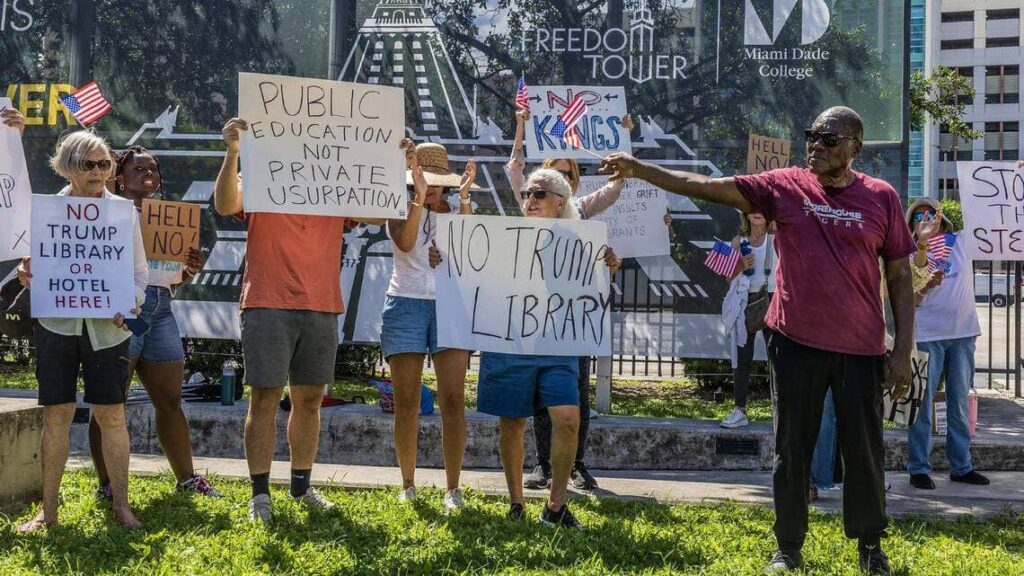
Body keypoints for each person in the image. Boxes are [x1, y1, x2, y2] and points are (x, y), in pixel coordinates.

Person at [599, 106, 916, 575]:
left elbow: (899, 275)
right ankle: (787, 547)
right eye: (811, 135)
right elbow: (705, 187)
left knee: (864, 454)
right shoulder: (783, 185)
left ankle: (870, 546)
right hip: (796, 343)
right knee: (791, 450)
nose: (815, 146)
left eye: (828, 139)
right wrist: (640, 168)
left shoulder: (881, 197)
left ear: (855, 146)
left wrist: (903, 351)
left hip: (861, 349)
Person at [213, 118, 383, 524]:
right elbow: (224, 204)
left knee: (309, 401)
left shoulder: (334, 184)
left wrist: (392, 159)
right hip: (267, 301)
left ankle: (302, 486)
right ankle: (259, 494)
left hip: (322, 304)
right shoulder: (261, 177)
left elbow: (376, 208)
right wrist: (233, 152)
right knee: (265, 397)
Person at [430, 168, 621, 529]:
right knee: (512, 424)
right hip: (511, 344)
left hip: (558, 346)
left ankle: (555, 505)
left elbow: (590, 289)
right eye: (526, 194)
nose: (529, 200)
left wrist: (608, 265)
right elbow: (470, 269)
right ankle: (516, 502)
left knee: (568, 419)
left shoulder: (580, 241)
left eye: (539, 194)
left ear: (561, 202)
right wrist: (444, 260)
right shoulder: (504, 237)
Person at [15, 129, 149, 532]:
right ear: (67, 166)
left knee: (112, 415)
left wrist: (131, 303)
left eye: (104, 164)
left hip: (109, 331)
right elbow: (34, 271)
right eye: (88, 164)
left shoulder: (124, 213)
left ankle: (122, 507)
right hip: (57, 325)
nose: (98, 171)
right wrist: (28, 277)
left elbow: (140, 275)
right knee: (56, 415)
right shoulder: (43, 213)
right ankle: (49, 512)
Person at [507, 108, 633, 492]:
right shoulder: (530, 207)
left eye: (566, 175)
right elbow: (515, 169)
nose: (537, 195)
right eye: (551, 174)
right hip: (537, 316)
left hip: (574, 318)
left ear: (569, 190)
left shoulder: (584, 214)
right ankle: (544, 466)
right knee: (541, 395)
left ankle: (576, 465)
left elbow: (615, 188)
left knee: (577, 393)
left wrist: (624, 143)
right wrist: (521, 126)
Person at [88, 146, 221, 500]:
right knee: (109, 403)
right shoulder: (106, 212)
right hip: (120, 313)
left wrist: (191, 266)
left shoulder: (169, 216)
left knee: (170, 402)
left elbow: (176, 280)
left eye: (154, 169)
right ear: (119, 175)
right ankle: (107, 485)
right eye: (139, 168)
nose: (149, 174)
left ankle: (188, 479)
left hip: (160, 310)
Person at [383, 141, 477, 510]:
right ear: (413, 177)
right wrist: (419, 200)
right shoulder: (399, 207)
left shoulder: (459, 209)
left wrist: (466, 200)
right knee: (406, 402)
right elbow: (405, 243)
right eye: (425, 177)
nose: (432, 184)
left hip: (449, 307)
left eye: (438, 179)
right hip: (405, 304)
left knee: (453, 401)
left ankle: (452, 488)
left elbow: (472, 255)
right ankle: (408, 484)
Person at [906, 198, 989, 490]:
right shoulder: (909, 253)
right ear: (911, 224)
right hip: (928, 336)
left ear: (941, 218)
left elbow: (994, 219)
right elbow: (910, 299)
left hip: (963, 334)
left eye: (931, 213)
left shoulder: (962, 242)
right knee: (922, 404)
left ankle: (962, 466)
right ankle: (917, 467)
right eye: (918, 216)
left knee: (958, 403)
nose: (926, 218)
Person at [720, 212, 776, 429]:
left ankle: (780, 411)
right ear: (745, 214)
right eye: (752, 209)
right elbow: (727, 277)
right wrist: (740, 266)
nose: (757, 213)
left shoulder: (778, 239)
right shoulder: (738, 242)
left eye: (762, 208)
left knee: (778, 360)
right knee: (742, 359)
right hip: (745, 302)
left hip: (773, 300)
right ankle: (740, 410)